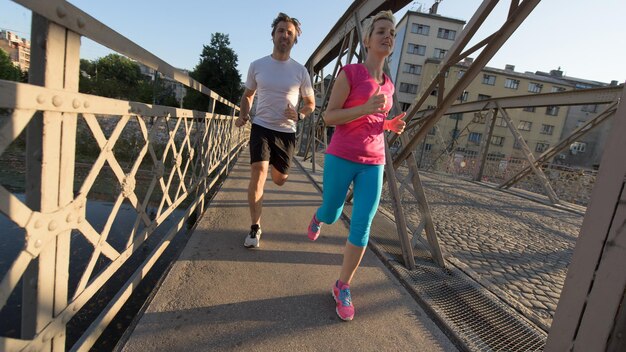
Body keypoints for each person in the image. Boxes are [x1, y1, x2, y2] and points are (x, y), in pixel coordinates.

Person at [306, 10, 406, 321]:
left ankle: (342, 286)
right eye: (380, 31)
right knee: (333, 213)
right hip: (341, 155)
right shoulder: (350, 73)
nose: (387, 35)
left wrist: (388, 125)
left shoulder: (389, 85)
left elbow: (374, 118)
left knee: (362, 224)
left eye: (391, 31)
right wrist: (364, 108)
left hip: (374, 162)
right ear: (367, 40)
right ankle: (319, 216)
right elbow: (330, 117)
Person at [235, 12, 315, 249]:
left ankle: (275, 168)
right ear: (273, 35)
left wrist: (300, 113)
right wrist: (243, 114)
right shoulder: (257, 65)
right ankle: (254, 227)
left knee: (279, 180)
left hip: (286, 132)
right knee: (258, 173)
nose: (285, 35)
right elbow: (248, 95)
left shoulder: (300, 71)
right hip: (261, 126)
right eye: (281, 30)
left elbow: (311, 104)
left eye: (289, 33)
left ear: (294, 40)